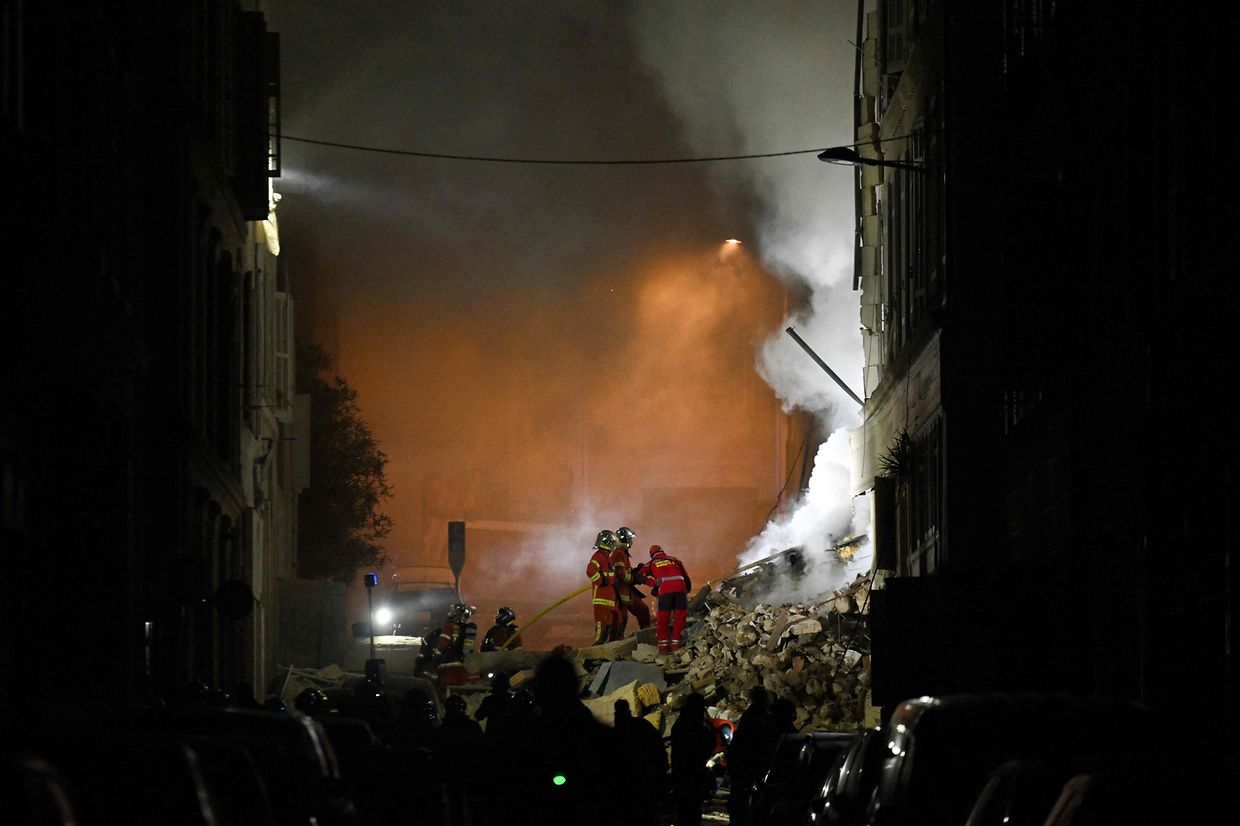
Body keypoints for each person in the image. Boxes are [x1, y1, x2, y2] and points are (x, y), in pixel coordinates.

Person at [613, 698, 665, 826]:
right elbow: (658, 745)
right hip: (643, 777)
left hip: (638, 779)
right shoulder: (641, 725)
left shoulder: (616, 733)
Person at [670, 692, 717, 826]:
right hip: (690, 775)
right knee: (690, 812)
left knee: (687, 811)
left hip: (684, 775)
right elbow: (708, 744)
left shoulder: (682, 723)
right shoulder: (693, 725)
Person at [638, 544, 692, 654]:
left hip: (665, 591)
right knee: (679, 618)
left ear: (651, 555)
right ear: (663, 551)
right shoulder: (674, 559)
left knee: (663, 620)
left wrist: (652, 583)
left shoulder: (651, 563)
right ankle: (676, 646)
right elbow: (686, 578)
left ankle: (663, 649)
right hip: (680, 589)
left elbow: (638, 575)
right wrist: (686, 591)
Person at [611, 526, 652, 635]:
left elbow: (625, 572)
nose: (631, 541)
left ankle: (646, 634)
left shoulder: (621, 553)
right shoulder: (619, 553)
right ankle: (647, 635)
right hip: (623, 591)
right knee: (639, 612)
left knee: (626, 617)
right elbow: (621, 575)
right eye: (630, 539)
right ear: (624, 539)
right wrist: (635, 578)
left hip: (625, 591)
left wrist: (636, 571)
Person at [586, 529, 623, 645]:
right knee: (601, 629)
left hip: (611, 601)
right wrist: (600, 580)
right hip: (602, 600)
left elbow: (612, 577)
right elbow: (590, 570)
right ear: (608, 543)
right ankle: (596, 653)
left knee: (613, 627)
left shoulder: (607, 557)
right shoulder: (598, 556)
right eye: (612, 544)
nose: (613, 547)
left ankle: (609, 652)